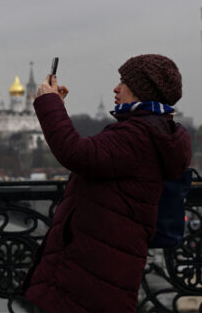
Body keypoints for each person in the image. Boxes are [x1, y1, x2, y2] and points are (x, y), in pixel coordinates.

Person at [21, 54, 192, 312]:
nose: (116, 88)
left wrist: (49, 103)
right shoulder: (155, 131)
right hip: (107, 260)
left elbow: (75, 152)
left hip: (93, 267)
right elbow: (93, 155)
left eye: (123, 82)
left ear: (142, 90)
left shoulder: (137, 135)